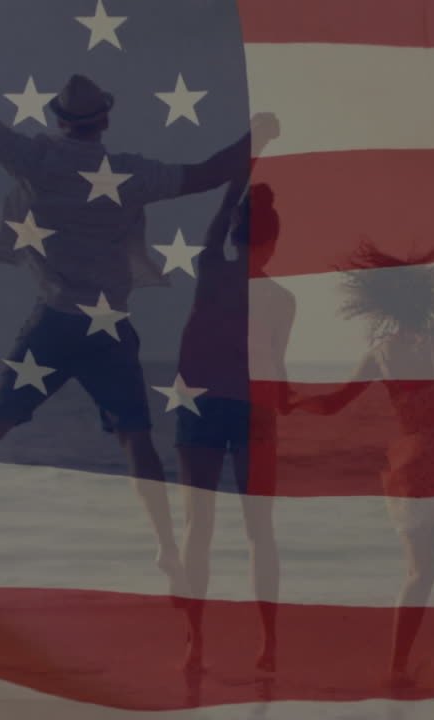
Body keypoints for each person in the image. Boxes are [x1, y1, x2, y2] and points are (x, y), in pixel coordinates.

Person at [0, 0, 253, 595]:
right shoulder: (130, 173)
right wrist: (266, 129)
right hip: (108, 328)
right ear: (104, 120)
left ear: (59, 120)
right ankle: (164, 547)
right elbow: (211, 171)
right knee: (136, 439)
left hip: (53, 323)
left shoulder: (34, 159)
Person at [290, 206, 434, 693]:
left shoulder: (384, 351)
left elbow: (333, 405)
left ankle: (396, 670)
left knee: (418, 575)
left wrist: (291, 400)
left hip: (416, 467)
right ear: (426, 298)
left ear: (385, 307)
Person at [173, 111, 290, 675]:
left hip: (198, 408)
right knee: (259, 533)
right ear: (273, 242)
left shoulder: (210, 269)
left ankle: (196, 643)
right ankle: (268, 643)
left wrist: (255, 149)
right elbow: (278, 372)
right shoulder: (284, 301)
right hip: (253, 414)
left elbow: (221, 212)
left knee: (199, 530)